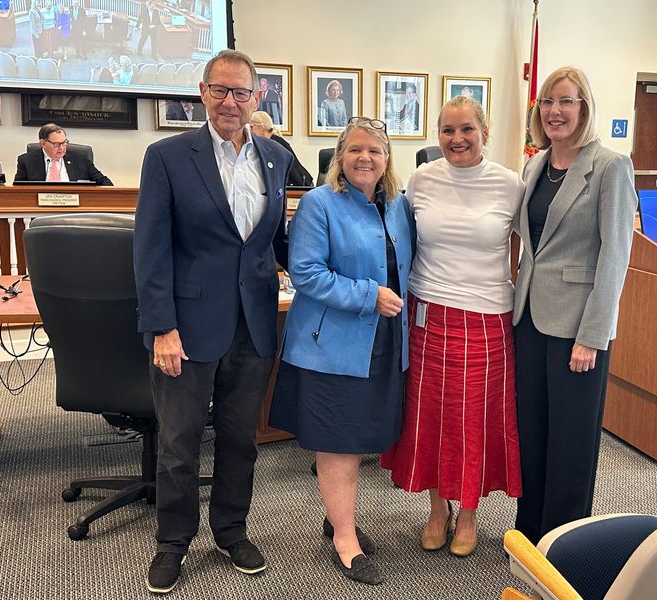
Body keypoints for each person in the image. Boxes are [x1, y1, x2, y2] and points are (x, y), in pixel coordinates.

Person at [133, 49, 293, 595]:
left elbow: (277, 241)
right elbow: (150, 249)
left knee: (239, 439)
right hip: (187, 326)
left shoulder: (274, 157)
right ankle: (172, 542)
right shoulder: (168, 156)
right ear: (202, 93)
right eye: (220, 90)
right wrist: (160, 326)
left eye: (241, 92)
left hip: (253, 324)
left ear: (257, 97)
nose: (230, 101)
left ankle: (231, 530)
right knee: (178, 443)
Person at [268, 116, 413, 585]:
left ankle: (338, 517)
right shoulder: (317, 203)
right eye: (354, 149)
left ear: (387, 158)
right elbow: (305, 273)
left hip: (385, 340)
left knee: (361, 435)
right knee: (340, 442)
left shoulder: (397, 207)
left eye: (374, 150)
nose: (364, 158)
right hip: (332, 345)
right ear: (339, 156)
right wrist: (369, 294)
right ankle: (345, 540)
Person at [381, 95, 524, 557]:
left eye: (466, 130)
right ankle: (436, 508)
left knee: (472, 421)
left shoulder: (510, 185)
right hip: (428, 314)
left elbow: (528, 253)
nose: (457, 140)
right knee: (431, 417)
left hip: (486, 315)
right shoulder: (422, 179)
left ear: (485, 132)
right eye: (447, 131)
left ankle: (468, 514)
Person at [513, 66, 636, 544]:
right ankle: (528, 535)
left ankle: (563, 544)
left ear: (583, 108)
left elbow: (615, 254)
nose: (555, 111)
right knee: (534, 433)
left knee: (571, 442)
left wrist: (593, 335)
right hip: (529, 319)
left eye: (566, 102)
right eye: (547, 102)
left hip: (577, 329)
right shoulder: (535, 164)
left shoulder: (609, 166)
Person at [14, 123, 113, 185]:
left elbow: (104, 182)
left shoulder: (80, 159)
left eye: (64, 143)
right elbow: (18, 190)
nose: (62, 148)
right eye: (56, 144)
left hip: (76, 209)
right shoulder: (26, 161)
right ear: (43, 143)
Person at [249, 110, 313, 186]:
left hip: (299, 187)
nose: (249, 131)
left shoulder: (274, 144)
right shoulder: (271, 141)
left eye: (251, 127)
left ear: (262, 126)